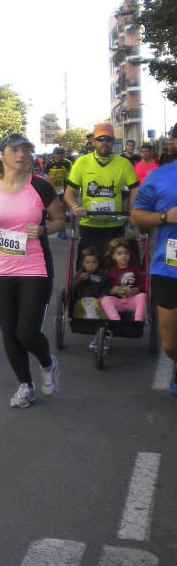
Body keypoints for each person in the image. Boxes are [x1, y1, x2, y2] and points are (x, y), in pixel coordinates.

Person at [0, 133, 63, 408]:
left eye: (26, 150)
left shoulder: (41, 187)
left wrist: (44, 229)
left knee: (27, 332)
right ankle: (25, 385)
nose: (23, 155)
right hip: (0, 269)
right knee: (9, 332)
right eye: (16, 150)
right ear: (3, 154)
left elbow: (60, 219)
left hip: (34, 267)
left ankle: (48, 365)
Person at [130, 122, 177, 395]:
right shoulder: (160, 177)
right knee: (170, 342)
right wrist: (163, 217)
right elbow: (137, 215)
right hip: (169, 267)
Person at [64, 122, 139, 263]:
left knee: (114, 270)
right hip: (89, 224)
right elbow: (69, 193)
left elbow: (135, 189)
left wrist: (133, 209)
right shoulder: (82, 162)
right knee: (87, 271)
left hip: (115, 226)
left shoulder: (124, 164)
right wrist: (75, 207)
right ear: (93, 141)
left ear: (113, 141)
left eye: (108, 139)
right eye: (100, 139)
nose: (104, 142)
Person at [100, 238, 147, 321]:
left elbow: (144, 285)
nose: (124, 256)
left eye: (126, 253)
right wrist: (112, 290)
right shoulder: (110, 271)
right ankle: (115, 320)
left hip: (132, 300)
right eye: (120, 253)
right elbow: (104, 288)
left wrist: (135, 290)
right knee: (105, 300)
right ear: (113, 256)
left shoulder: (135, 268)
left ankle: (138, 320)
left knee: (142, 296)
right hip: (117, 301)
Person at [43, 147, 73, 239]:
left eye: (61, 153)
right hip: (53, 189)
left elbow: (71, 175)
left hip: (63, 189)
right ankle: (60, 229)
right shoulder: (50, 164)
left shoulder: (67, 163)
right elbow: (45, 176)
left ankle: (62, 229)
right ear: (54, 154)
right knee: (56, 210)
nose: (60, 155)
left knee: (62, 209)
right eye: (58, 153)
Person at [72, 248, 107, 319]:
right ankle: (91, 317)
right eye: (87, 262)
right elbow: (73, 289)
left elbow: (106, 287)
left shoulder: (102, 274)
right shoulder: (80, 274)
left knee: (103, 309)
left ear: (98, 263)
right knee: (88, 303)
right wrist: (80, 280)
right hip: (83, 299)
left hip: (98, 300)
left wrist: (102, 297)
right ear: (83, 263)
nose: (91, 265)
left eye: (94, 262)